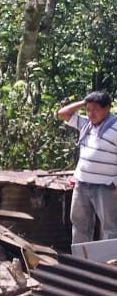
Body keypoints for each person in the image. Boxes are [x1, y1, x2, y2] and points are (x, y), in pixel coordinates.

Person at [56, 91, 117, 244]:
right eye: (88, 110)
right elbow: (62, 113)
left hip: (106, 186)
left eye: (96, 109)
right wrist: (85, 102)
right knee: (80, 225)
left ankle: (110, 258)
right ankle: (81, 257)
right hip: (82, 184)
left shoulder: (115, 127)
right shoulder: (86, 125)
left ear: (107, 108)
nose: (91, 114)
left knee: (110, 227)